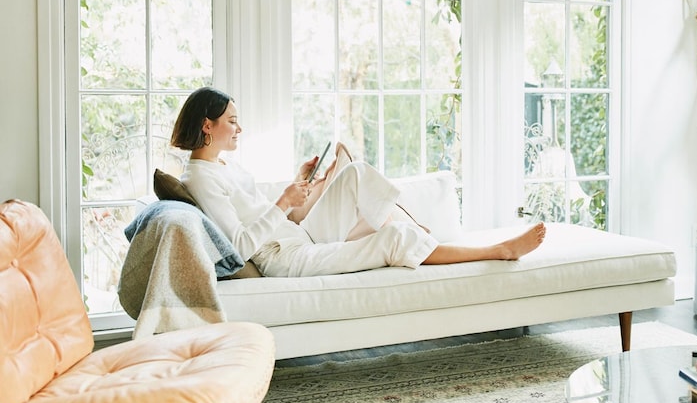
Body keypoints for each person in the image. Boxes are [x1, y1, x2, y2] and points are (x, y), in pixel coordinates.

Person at [170, 87, 547, 277]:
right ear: (208, 125)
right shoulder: (201, 179)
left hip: (298, 236)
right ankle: (499, 250)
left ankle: (407, 228)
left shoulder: (222, 166)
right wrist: (283, 202)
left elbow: (264, 214)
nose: (239, 127)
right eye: (232, 120)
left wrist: (296, 185)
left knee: (355, 172)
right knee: (396, 238)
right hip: (285, 258)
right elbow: (237, 247)